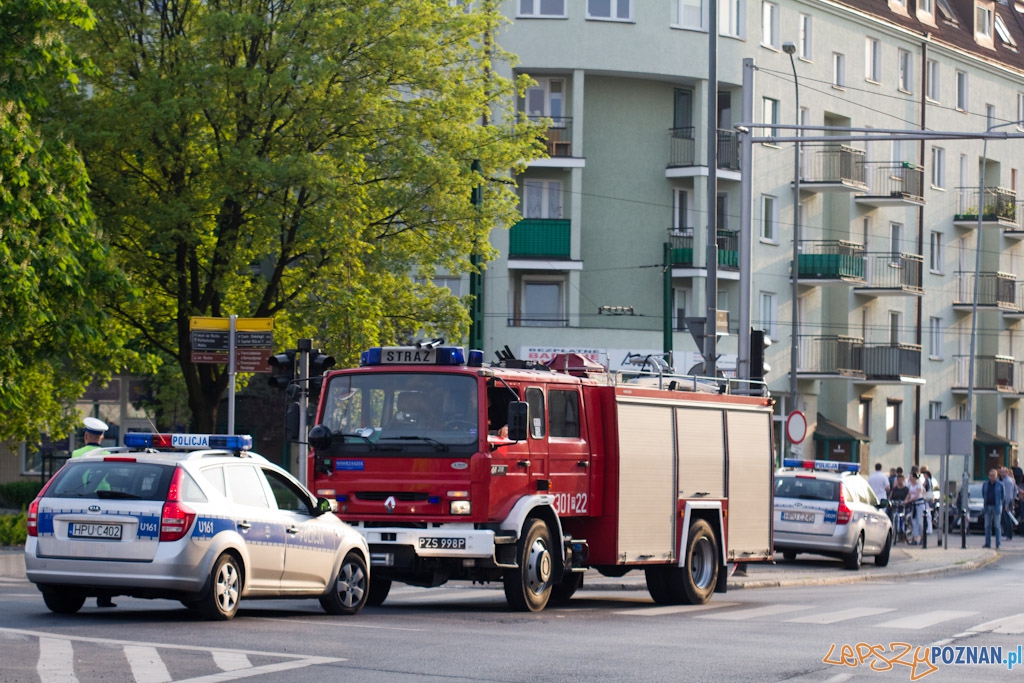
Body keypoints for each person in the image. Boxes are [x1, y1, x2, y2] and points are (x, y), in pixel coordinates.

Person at [71, 417, 117, 608]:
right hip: (105, 502)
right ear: (102, 437)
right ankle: (104, 597)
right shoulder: (108, 454)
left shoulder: (77, 453)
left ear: (86, 435)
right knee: (106, 550)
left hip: (82, 500)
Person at [982, 468, 1004, 549]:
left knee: (997, 526)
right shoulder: (985, 484)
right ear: (988, 476)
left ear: (996, 476)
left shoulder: (1000, 485)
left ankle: (998, 544)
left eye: (993, 475)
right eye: (990, 475)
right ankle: (987, 543)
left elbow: (1002, 496)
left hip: (996, 507)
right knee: (987, 526)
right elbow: (983, 494)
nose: (992, 477)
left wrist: (1000, 504)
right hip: (987, 507)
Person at [905, 467, 925, 545]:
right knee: (914, 522)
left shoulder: (919, 485)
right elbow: (909, 494)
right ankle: (915, 539)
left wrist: (909, 500)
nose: (910, 478)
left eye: (911, 477)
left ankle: (922, 537)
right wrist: (906, 499)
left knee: (920, 522)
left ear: (914, 477)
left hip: (919, 505)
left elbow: (917, 495)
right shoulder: (911, 485)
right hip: (913, 505)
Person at [1000, 467, 1018, 541]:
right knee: (1005, 519)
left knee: (1007, 519)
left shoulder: (1008, 481)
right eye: (1001, 472)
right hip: (1007, 501)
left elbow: (1007, 494)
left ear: (1007, 473)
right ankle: (1006, 534)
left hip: (1006, 501)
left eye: (1004, 472)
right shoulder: (1006, 480)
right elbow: (1015, 491)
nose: (1002, 473)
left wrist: (1007, 504)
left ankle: (1008, 535)